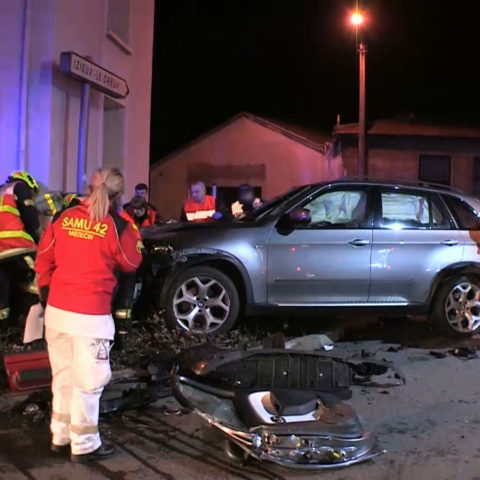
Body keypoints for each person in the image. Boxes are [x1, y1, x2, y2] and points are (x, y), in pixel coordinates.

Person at [35, 167, 142, 463]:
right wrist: (128, 226)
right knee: (88, 383)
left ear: (88, 187)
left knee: (63, 377)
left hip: (57, 311)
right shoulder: (117, 226)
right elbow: (132, 261)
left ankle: (60, 436)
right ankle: (85, 444)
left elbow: (44, 260)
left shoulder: (63, 218)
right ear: (119, 196)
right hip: (90, 316)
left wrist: (46, 294)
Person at [0, 170, 41, 327]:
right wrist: (38, 239)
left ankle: (4, 331)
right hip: (17, 247)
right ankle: (29, 330)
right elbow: (31, 219)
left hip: (1, 253)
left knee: (4, 291)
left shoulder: (2, 191)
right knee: (35, 283)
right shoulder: (20, 187)